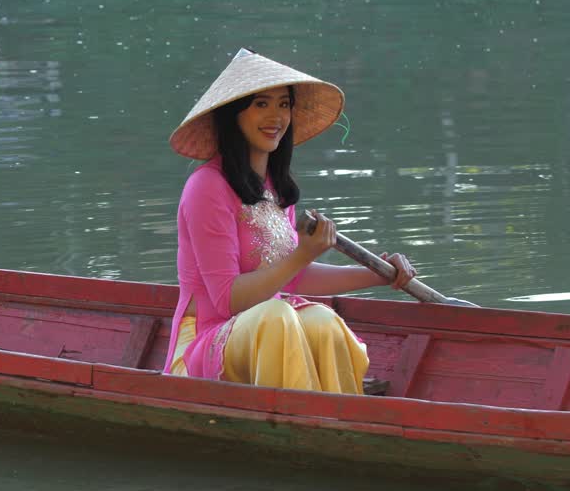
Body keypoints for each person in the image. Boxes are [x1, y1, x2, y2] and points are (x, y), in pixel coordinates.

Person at [164, 48, 416, 394]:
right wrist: (304, 253)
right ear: (233, 115)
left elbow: (291, 278)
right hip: (204, 348)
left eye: (284, 104)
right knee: (278, 317)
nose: (276, 116)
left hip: (264, 334)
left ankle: (342, 421)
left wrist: (378, 275)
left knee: (322, 321)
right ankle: (299, 423)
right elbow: (228, 301)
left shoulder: (275, 189)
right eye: (261, 104)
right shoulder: (206, 186)